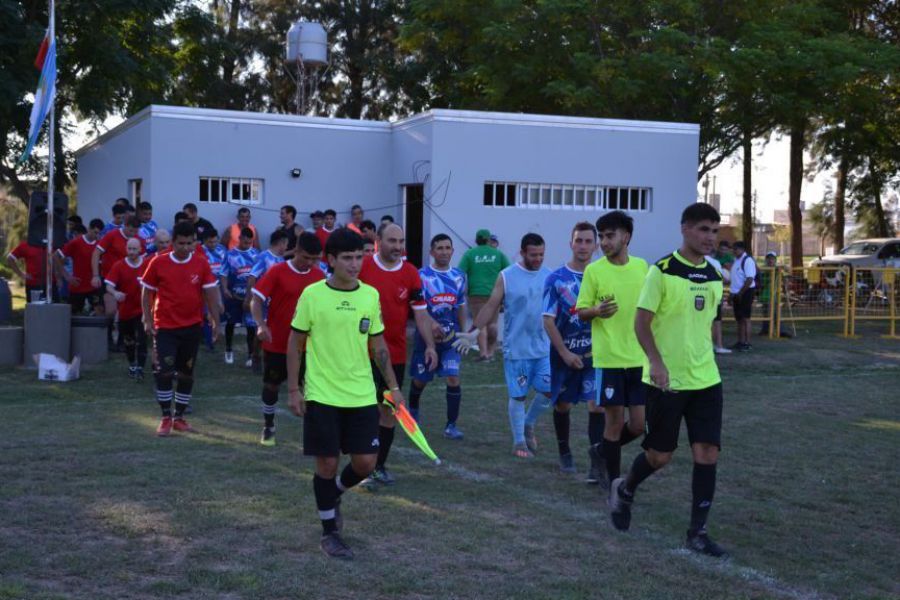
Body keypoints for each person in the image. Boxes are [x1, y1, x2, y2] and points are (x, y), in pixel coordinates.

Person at [608, 202, 727, 558]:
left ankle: (698, 532)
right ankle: (625, 488)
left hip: (706, 379)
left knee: (707, 452)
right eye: (704, 229)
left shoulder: (715, 275)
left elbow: (706, 323)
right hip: (665, 380)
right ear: (685, 229)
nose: (710, 237)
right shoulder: (660, 271)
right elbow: (641, 322)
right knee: (659, 456)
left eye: (715, 231)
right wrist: (656, 362)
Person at [285, 228, 404, 559]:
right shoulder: (312, 295)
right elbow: (295, 343)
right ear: (331, 260)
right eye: (348, 258)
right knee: (326, 463)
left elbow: (377, 345)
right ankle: (329, 532)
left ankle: (335, 493)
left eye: (359, 257)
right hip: (322, 394)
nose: (355, 264)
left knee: (366, 464)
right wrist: (294, 388)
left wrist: (393, 387)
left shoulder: (369, 296)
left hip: (362, 394)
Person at [456, 233, 552, 458]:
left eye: (541, 254)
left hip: (543, 348)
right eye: (533, 255)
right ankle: (519, 442)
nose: (538, 259)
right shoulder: (507, 276)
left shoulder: (549, 276)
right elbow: (490, 306)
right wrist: (474, 332)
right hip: (516, 349)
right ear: (522, 253)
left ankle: (528, 424)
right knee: (518, 396)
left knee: (549, 391)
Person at [358, 223, 437, 485]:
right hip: (358, 353)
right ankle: (360, 465)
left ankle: (378, 466)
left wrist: (429, 345)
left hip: (394, 354)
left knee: (388, 411)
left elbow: (421, 313)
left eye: (401, 241)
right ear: (378, 241)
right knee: (361, 410)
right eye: (392, 241)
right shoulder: (363, 267)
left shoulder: (411, 272)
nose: (398, 246)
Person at [576, 211, 649, 489]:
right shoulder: (595, 271)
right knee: (614, 422)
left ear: (626, 237)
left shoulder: (644, 268)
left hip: (639, 359)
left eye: (610, 236)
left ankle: (601, 451)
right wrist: (596, 310)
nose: (604, 242)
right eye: (602, 237)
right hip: (609, 360)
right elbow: (582, 311)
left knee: (639, 425)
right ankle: (614, 481)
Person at [141, 221, 220, 436]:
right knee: (164, 372)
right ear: (173, 243)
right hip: (165, 327)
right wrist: (147, 319)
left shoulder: (201, 263)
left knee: (186, 374)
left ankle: (179, 418)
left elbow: (210, 294)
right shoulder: (158, 262)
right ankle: (166, 417)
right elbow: (146, 291)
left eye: (190, 243)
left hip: (192, 327)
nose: (186, 248)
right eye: (181, 243)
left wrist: (215, 321)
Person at [250, 232, 325, 446]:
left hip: (308, 347)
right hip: (277, 343)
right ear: (296, 251)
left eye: (314, 259)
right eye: (306, 258)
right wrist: (261, 325)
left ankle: (313, 433)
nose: (310, 263)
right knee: (271, 386)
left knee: (312, 390)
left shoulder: (319, 277)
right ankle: (268, 425)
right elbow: (256, 300)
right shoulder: (277, 272)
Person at [543, 222, 599, 474]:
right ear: (571, 243)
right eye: (579, 241)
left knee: (596, 404)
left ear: (596, 246)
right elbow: (547, 319)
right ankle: (564, 450)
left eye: (588, 241)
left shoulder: (602, 276)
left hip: (595, 355)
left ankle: (597, 460)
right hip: (564, 356)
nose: (583, 246)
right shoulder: (556, 279)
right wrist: (565, 353)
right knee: (563, 405)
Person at [407, 234, 468, 439]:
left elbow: (460, 306)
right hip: (426, 339)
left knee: (453, 377)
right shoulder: (421, 275)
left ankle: (451, 425)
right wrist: (431, 325)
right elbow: (417, 309)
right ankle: (413, 410)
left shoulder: (459, 276)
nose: (444, 251)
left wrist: (463, 334)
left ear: (452, 251)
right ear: (432, 252)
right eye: (439, 248)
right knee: (420, 380)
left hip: (450, 339)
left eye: (447, 248)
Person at [457, 228, 511, 361]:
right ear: (488, 240)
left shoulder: (469, 254)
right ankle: (491, 352)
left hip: (476, 293)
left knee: (479, 323)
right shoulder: (498, 254)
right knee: (492, 324)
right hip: (495, 294)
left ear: (476, 240)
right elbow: (509, 271)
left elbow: (459, 272)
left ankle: (483, 353)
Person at [243, 230, 289, 372]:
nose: (286, 247)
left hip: (275, 301)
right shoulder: (263, 257)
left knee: (274, 329)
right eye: (286, 244)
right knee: (260, 329)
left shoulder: (281, 260)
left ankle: (268, 357)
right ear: (280, 242)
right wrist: (249, 298)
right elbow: (252, 277)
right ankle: (255, 356)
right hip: (262, 301)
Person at [105, 238, 149, 381]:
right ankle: (132, 364)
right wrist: (115, 293)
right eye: (129, 249)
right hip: (126, 311)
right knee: (129, 340)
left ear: (140, 249)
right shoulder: (119, 266)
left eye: (134, 249)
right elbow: (109, 285)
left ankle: (141, 368)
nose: (131, 252)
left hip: (143, 310)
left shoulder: (147, 264)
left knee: (142, 339)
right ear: (126, 249)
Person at [219, 227, 260, 366]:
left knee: (250, 326)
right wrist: (224, 288)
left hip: (250, 297)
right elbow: (223, 273)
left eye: (249, 242)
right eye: (244, 242)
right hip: (233, 295)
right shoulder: (229, 255)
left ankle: (250, 355)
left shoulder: (256, 255)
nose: (247, 244)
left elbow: (261, 276)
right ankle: (229, 350)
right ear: (240, 238)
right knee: (230, 323)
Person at [55, 218, 104, 315]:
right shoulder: (76, 243)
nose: (96, 236)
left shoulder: (100, 244)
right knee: (73, 315)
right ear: (89, 229)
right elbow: (56, 256)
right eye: (95, 232)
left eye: (99, 233)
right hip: (78, 285)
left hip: (94, 286)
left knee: (100, 312)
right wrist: (66, 276)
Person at [200, 229, 226, 350]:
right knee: (207, 314)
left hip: (218, 286)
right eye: (210, 242)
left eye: (215, 242)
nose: (213, 245)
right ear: (205, 241)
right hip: (204, 288)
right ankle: (208, 340)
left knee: (218, 311)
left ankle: (215, 335)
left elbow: (224, 270)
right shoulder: (199, 251)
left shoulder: (222, 250)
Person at [730, 241, 756, 351]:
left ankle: (747, 343)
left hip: (746, 292)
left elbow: (750, 279)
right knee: (739, 319)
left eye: (735, 249)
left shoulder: (748, 260)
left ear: (742, 249)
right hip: (737, 293)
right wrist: (732, 293)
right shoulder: (736, 260)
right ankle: (740, 341)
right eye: (733, 249)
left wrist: (740, 293)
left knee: (746, 318)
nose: (734, 251)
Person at [705, 253, 731, 354]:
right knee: (716, 322)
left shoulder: (699, 260)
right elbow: (726, 278)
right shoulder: (714, 262)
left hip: (706, 296)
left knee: (710, 322)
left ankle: (711, 345)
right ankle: (718, 345)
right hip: (714, 297)